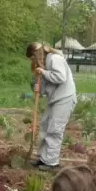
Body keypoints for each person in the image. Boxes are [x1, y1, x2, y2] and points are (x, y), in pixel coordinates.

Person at [26, 42, 77, 171]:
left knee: (55, 129)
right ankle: (43, 158)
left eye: (32, 58)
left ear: (35, 54)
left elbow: (60, 77)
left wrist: (43, 72)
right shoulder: (43, 64)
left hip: (64, 98)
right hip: (54, 99)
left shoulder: (55, 59)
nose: (32, 61)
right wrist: (37, 87)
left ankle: (52, 163)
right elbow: (43, 89)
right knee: (45, 125)